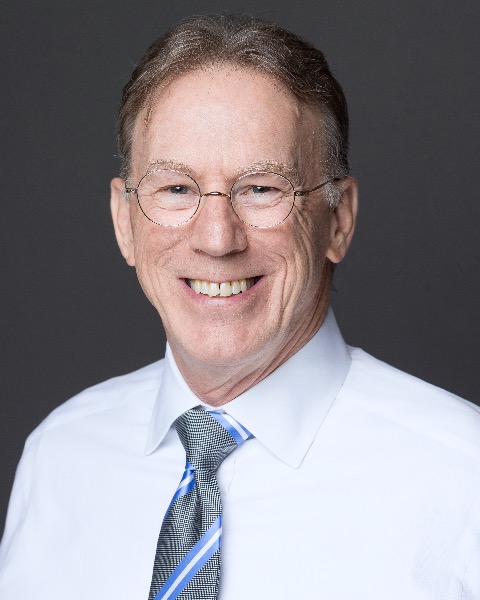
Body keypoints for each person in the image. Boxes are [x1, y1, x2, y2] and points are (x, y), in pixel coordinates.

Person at [0, 14, 479, 600]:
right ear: (125, 221)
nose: (217, 238)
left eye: (261, 188)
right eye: (176, 188)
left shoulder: (464, 481)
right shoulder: (59, 458)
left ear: (339, 219)